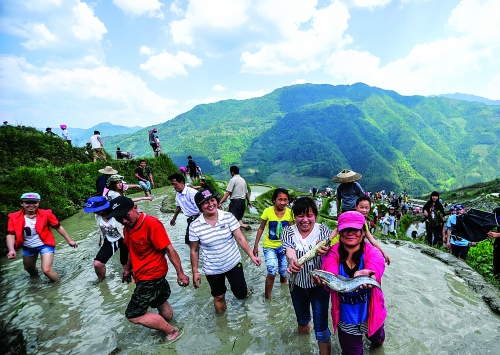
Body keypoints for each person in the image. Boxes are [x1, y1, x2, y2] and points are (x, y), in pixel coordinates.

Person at [107, 196, 189, 342]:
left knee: (133, 314)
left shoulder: (152, 224)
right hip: (146, 274)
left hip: (151, 275)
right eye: (120, 219)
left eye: (126, 216)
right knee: (160, 301)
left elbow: (169, 250)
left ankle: (171, 331)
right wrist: (127, 269)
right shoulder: (128, 227)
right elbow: (132, 249)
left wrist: (180, 274)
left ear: (135, 208)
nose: (124, 221)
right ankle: (171, 323)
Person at [319, 211, 386, 355]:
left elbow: (377, 266)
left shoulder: (373, 252)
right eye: (345, 229)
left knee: (378, 341)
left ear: (363, 232)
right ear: (339, 232)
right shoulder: (331, 253)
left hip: (372, 314)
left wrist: (369, 273)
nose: (350, 233)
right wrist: (324, 281)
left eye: (355, 229)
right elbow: (329, 270)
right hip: (347, 318)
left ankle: (376, 339)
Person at [189, 189, 261, 313]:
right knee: (219, 296)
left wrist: (251, 256)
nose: (210, 204)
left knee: (241, 294)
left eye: (212, 200)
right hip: (212, 268)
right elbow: (194, 250)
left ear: (217, 201)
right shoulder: (195, 226)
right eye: (206, 202)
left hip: (233, 263)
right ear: (200, 206)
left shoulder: (228, 217)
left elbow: (240, 238)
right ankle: (222, 325)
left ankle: (244, 294)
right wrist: (195, 272)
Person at [282, 197, 332, 355]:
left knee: (321, 327)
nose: (304, 220)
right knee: (303, 321)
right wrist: (292, 261)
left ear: (315, 215)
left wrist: (327, 249)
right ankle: (304, 348)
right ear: (294, 216)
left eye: (309, 215)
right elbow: (289, 251)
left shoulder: (323, 230)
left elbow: (331, 252)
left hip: (319, 286)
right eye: (300, 215)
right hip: (297, 285)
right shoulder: (288, 232)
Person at [6, 192, 78, 282]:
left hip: (45, 244)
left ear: (38, 203)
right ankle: (36, 281)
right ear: (22, 203)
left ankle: (59, 288)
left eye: (34, 202)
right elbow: (10, 234)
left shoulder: (46, 214)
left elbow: (58, 226)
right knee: (29, 269)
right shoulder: (14, 217)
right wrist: (11, 249)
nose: (31, 205)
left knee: (46, 270)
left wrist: (69, 240)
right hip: (27, 247)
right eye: (27, 202)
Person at [252, 188, 294, 299]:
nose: (283, 202)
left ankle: (283, 291)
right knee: (272, 269)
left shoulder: (290, 213)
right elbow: (261, 228)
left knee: (284, 271)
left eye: (285, 200)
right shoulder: (267, 211)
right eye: (280, 199)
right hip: (269, 246)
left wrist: (295, 247)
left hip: (285, 247)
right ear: (274, 200)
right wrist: (256, 245)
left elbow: (292, 231)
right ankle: (268, 298)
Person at [84, 196, 128, 282]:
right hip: (110, 240)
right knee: (98, 264)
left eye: (95, 210)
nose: (93, 212)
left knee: (126, 265)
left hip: (123, 239)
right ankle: (102, 283)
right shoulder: (97, 216)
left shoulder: (116, 212)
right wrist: (101, 240)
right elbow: (101, 229)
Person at [354, 196, 391, 264]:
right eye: (361, 207)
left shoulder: (364, 222)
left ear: (370, 208)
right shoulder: (349, 218)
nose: (364, 210)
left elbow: (371, 239)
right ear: (355, 207)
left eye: (366, 208)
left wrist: (383, 253)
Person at [168, 173, 200, 245]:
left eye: (175, 184)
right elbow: (178, 206)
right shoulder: (178, 194)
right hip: (191, 219)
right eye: (172, 184)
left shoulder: (192, 193)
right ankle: (196, 252)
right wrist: (174, 218)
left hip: (199, 218)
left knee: (198, 241)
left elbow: (201, 207)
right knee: (189, 241)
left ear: (182, 182)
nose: (173, 187)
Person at [219, 165, 252, 230]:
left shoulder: (233, 180)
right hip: (243, 202)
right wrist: (249, 201)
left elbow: (228, 193)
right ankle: (244, 226)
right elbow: (246, 193)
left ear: (232, 172)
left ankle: (233, 233)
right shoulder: (243, 180)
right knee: (239, 219)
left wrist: (220, 202)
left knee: (230, 219)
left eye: (230, 172)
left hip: (235, 202)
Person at [487, 207, 500, 279]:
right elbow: (490, 223)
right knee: (497, 265)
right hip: (498, 244)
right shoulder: (497, 211)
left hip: (498, 237)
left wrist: (498, 234)